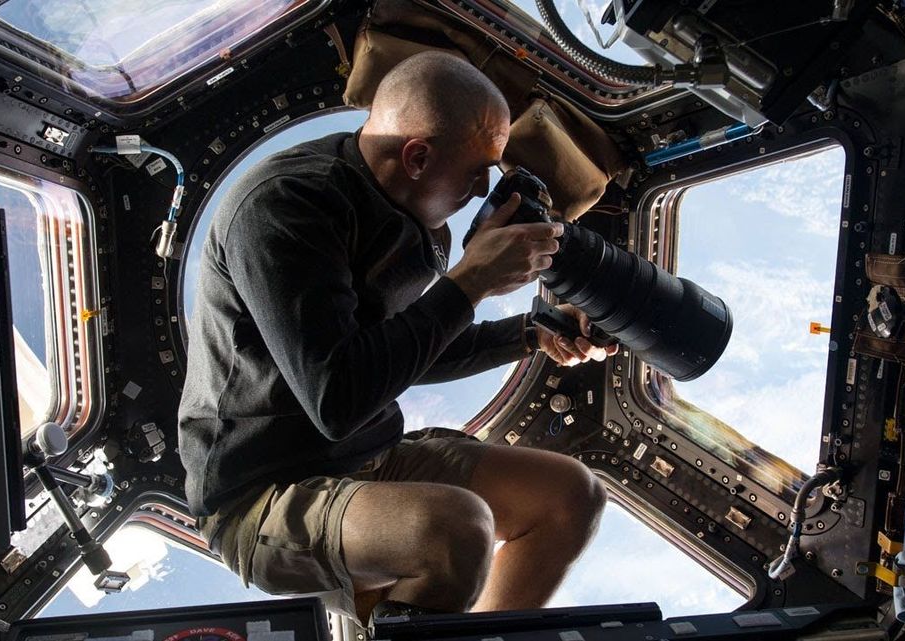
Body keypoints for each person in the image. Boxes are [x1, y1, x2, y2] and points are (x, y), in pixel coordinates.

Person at [178, 51, 616, 624]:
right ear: (416, 157)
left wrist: (529, 333)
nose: (483, 190)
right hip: (261, 497)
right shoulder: (284, 206)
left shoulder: (409, 219)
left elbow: (402, 351)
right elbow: (339, 396)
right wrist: (471, 281)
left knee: (571, 498)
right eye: (477, 171)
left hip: (367, 460)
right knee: (453, 531)